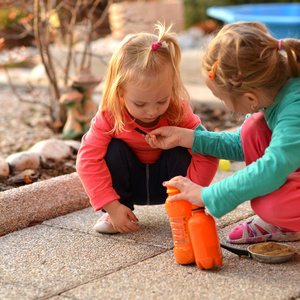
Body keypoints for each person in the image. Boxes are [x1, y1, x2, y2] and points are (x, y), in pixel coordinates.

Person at [145, 21, 300, 243]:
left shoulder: (295, 109)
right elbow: (242, 145)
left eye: (223, 99)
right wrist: (187, 137)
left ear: (250, 98)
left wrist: (207, 195)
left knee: (270, 205)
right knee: (253, 128)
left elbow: (272, 167)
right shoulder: (277, 93)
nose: (225, 105)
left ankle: (285, 222)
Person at [76, 23, 219, 234]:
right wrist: (112, 206)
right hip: (130, 186)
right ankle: (119, 214)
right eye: (140, 105)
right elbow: (87, 161)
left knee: (186, 142)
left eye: (161, 101)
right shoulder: (110, 115)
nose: (152, 111)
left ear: (172, 88)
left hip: (170, 186)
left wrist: (195, 195)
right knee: (112, 149)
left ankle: (187, 208)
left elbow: (207, 149)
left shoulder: (177, 111)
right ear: (120, 94)